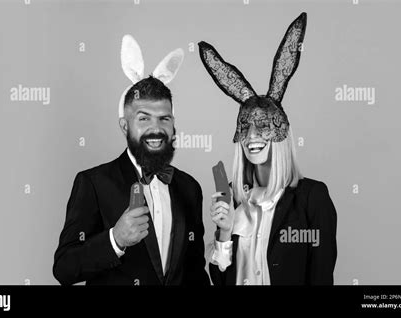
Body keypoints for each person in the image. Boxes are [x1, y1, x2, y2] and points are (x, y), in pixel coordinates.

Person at [53, 35, 210, 286]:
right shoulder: (93, 183)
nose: (155, 128)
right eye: (144, 118)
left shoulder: (190, 188)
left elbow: (195, 273)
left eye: (164, 118)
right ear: (125, 126)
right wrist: (115, 240)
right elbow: (64, 268)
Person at [198, 13, 337, 285]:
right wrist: (224, 232)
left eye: (262, 126)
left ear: (280, 131)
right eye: (245, 126)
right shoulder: (233, 196)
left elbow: (321, 276)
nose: (252, 136)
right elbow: (219, 278)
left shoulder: (311, 199)